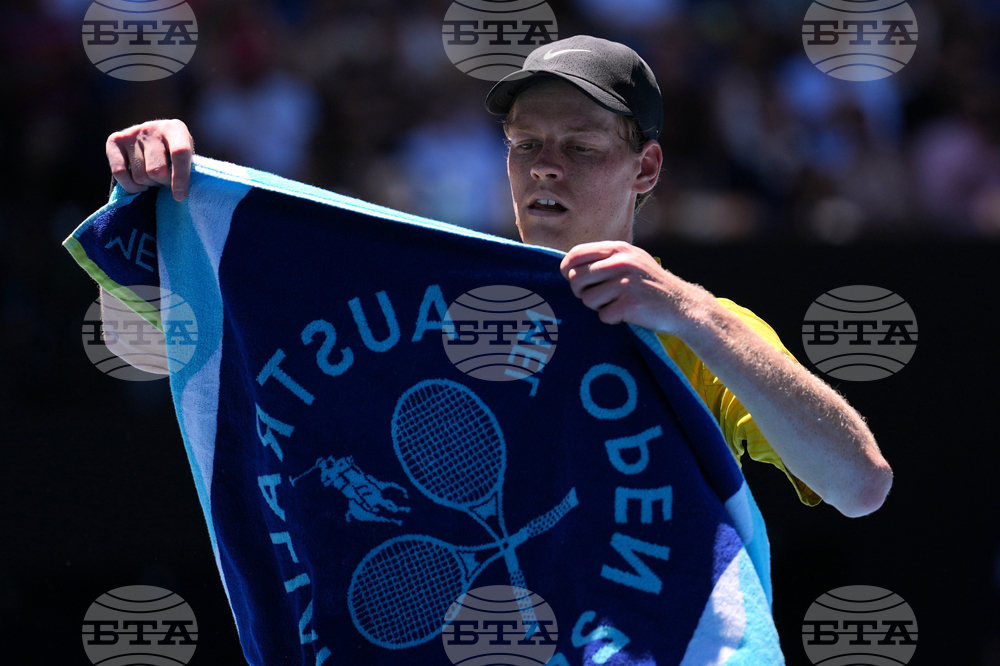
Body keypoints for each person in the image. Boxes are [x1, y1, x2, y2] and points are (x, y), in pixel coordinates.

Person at [104, 35, 891, 519]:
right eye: (526, 146)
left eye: (580, 148)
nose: (546, 169)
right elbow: (178, 336)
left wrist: (691, 312)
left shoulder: (702, 328)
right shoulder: (423, 307)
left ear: (645, 167)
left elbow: (859, 485)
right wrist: (168, 197)